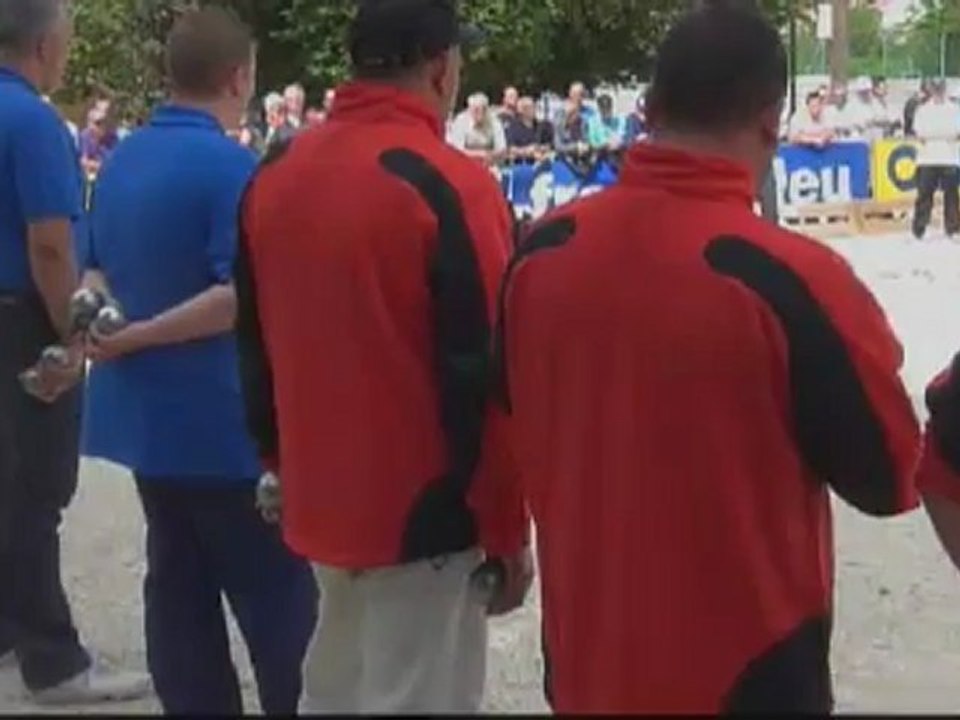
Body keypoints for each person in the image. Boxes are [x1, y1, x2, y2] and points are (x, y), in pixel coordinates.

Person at [497, 4, 920, 714]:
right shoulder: (794, 276)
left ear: (652, 109)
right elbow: (889, 476)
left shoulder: (542, 249)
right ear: (769, 120)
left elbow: (506, 408)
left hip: (587, 661)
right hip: (747, 671)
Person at [236, 0, 531, 712]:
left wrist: (278, 463)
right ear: (441, 66)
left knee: (335, 689)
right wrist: (504, 523)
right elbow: (487, 373)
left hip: (320, 489)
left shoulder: (277, 173)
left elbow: (254, 344)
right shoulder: (451, 185)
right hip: (423, 507)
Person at [81, 7, 317, 714]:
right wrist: (141, 334)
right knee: (279, 606)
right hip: (224, 423)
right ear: (239, 77)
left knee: (177, 590)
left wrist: (110, 330)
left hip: (147, 425)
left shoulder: (120, 157)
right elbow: (237, 298)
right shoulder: (234, 168)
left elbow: (91, 271)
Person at [0, 0, 150, 705]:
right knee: (35, 490)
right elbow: (50, 242)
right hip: (20, 314)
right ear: (45, 43)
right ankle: (52, 660)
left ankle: (9, 631)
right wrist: (72, 333)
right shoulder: (31, 120)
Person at [912, 78, 960, 241]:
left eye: (941, 87)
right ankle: (920, 228)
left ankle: (952, 228)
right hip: (928, 158)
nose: (938, 91)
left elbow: (956, 131)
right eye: (935, 87)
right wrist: (944, 133)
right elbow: (920, 132)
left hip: (949, 157)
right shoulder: (923, 110)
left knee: (951, 195)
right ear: (931, 89)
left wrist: (938, 133)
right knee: (925, 194)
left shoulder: (954, 109)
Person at [448, 91, 508, 164]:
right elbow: (456, 150)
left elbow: (502, 149)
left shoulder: (494, 121)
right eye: (475, 110)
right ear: (469, 109)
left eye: (483, 109)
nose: (479, 113)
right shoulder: (461, 121)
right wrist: (480, 154)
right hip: (464, 162)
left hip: (489, 163)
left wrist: (490, 155)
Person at [505, 95, 553, 162]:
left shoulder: (542, 126)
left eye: (534, 106)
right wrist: (526, 151)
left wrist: (539, 148)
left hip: (542, 160)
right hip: (523, 162)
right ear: (521, 110)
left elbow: (550, 144)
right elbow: (511, 148)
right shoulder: (513, 127)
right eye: (529, 107)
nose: (533, 109)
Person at [78, 103, 117, 178]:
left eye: (103, 122)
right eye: (97, 123)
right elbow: (83, 160)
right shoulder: (85, 135)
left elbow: (113, 163)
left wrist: (96, 165)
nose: (102, 125)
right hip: (89, 174)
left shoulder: (112, 138)